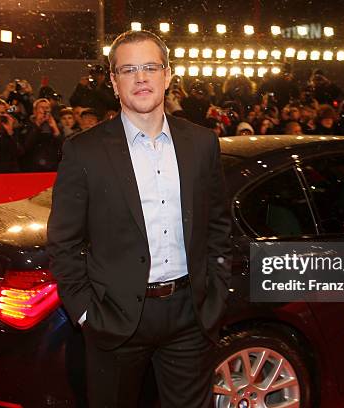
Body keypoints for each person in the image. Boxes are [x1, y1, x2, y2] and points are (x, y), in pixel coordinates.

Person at [47, 30, 232, 408]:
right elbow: (63, 244)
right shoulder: (83, 152)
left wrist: (215, 293)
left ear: (167, 74)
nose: (141, 77)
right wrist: (85, 313)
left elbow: (218, 224)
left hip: (191, 315)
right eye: (128, 69)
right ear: (114, 83)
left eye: (150, 66)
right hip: (114, 319)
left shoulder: (202, 143)